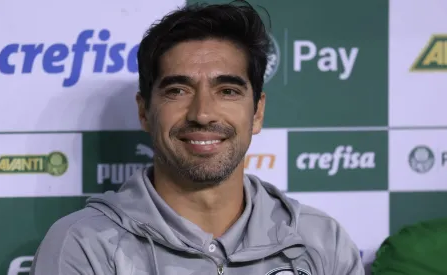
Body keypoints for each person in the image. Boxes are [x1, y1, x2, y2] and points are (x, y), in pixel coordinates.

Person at [31, 1, 364, 274]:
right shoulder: (83, 245)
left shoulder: (322, 242)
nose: (202, 113)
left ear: (257, 112)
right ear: (145, 111)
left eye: (228, 90)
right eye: (178, 90)